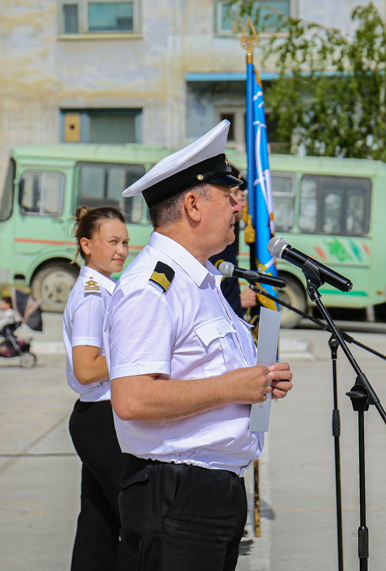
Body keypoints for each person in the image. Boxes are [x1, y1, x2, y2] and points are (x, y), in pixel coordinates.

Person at [105, 120, 293, 570]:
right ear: (192, 204)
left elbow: (209, 373)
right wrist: (232, 388)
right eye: (228, 196)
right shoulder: (152, 287)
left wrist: (259, 381)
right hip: (177, 493)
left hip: (213, 488)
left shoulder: (203, 281)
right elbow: (132, 399)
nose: (237, 207)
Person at [64, 205, 133, 571]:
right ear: (87, 245)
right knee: (135, 521)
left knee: (97, 522)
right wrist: (136, 354)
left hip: (101, 415)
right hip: (102, 417)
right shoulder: (93, 296)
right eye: (112, 241)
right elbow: (87, 369)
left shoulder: (107, 289)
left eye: (125, 242)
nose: (121, 250)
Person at [209, 168, 257, 318]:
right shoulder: (213, 246)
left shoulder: (225, 242)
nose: (240, 201)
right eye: (233, 193)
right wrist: (238, 301)